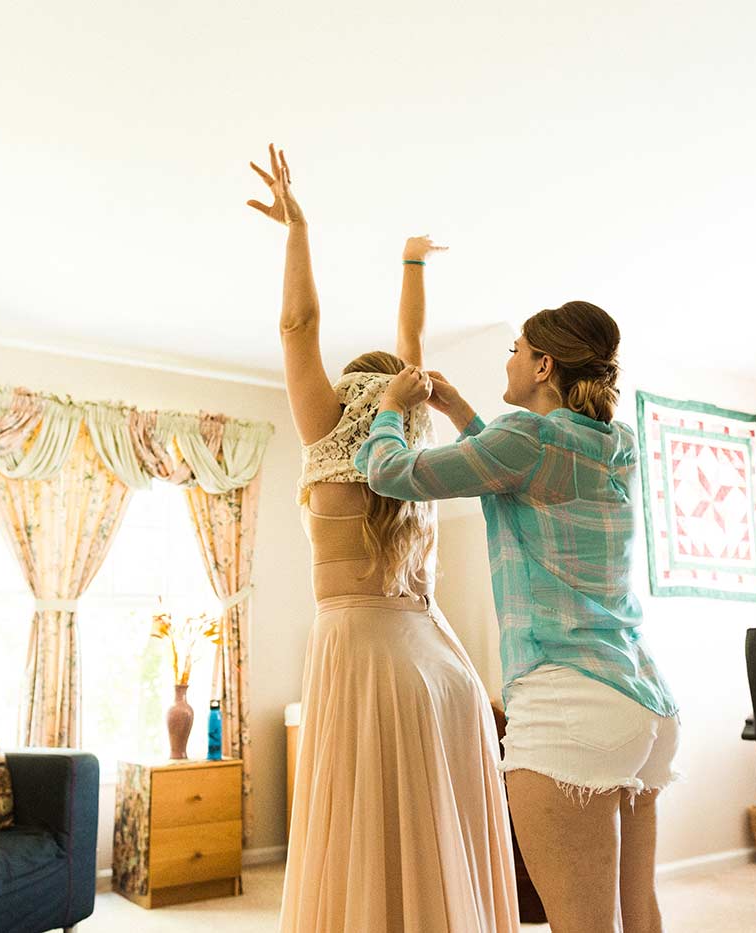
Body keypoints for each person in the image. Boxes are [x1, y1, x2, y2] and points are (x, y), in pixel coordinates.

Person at [247, 145, 518, 933]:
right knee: (432, 830)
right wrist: (410, 263)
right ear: (402, 392)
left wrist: (297, 230)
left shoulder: (329, 430)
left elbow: (299, 324)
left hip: (364, 658)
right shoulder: (410, 448)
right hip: (441, 664)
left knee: (365, 833)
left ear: (348, 392)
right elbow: (414, 345)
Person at [354, 301, 679, 933]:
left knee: (581, 924)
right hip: (644, 701)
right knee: (638, 919)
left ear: (543, 364)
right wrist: (458, 412)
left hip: (568, 703)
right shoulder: (616, 444)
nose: (510, 360)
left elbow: (390, 472)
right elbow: (515, 468)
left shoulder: (524, 440)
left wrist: (392, 407)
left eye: (515, 350)